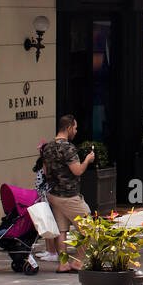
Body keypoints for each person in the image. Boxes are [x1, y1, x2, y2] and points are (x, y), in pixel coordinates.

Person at [38, 115, 94, 273]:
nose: (76, 131)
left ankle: (63, 264)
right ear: (69, 128)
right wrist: (87, 160)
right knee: (90, 229)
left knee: (62, 231)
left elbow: (44, 171)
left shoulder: (47, 147)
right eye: (75, 128)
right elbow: (77, 170)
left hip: (54, 195)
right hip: (69, 196)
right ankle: (77, 262)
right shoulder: (68, 148)